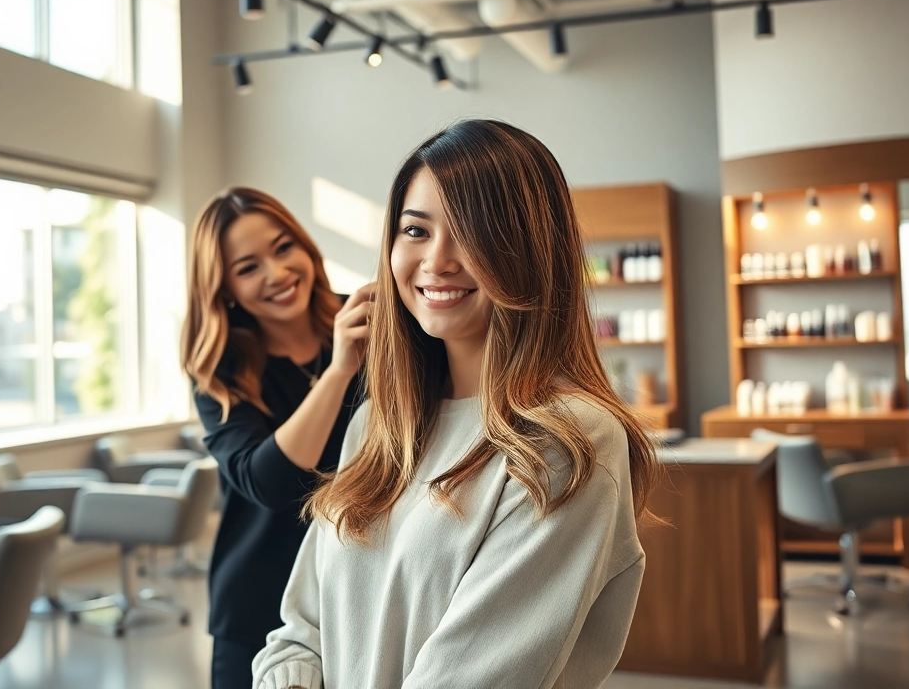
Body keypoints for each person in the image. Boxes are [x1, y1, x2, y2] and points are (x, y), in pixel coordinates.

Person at [252, 120, 662, 689]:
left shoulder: (567, 442)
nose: (437, 260)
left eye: (472, 231)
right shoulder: (376, 427)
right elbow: (299, 633)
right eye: (415, 231)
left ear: (532, 251)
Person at [182, 187, 371, 689]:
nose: (277, 274)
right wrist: (337, 373)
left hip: (365, 592)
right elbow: (270, 484)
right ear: (224, 287)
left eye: (283, 247)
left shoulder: (368, 322)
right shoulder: (219, 369)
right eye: (248, 268)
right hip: (259, 606)